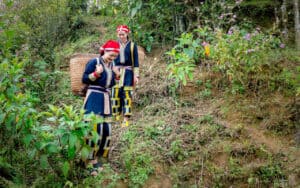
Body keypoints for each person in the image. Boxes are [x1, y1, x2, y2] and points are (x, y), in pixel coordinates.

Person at [82, 40, 120, 176]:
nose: (113, 58)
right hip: (93, 98)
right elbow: (84, 78)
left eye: (115, 56)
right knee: (93, 128)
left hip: (105, 99)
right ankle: (88, 160)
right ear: (105, 51)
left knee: (105, 129)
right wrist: (96, 74)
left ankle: (99, 158)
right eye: (111, 55)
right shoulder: (94, 62)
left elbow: (110, 85)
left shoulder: (112, 65)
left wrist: (117, 75)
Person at [111, 25, 139, 127]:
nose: (121, 36)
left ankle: (126, 118)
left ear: (127, 34)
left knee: (127, 94)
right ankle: (116, 114)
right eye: (119, 35)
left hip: (127, 73)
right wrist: (113, 69)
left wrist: (136, 76)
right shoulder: (114, 45)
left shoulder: (132, 46)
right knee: (115, 93)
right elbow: (110, 59)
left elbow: (136, 62)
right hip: (115, 72)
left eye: (123, 34)